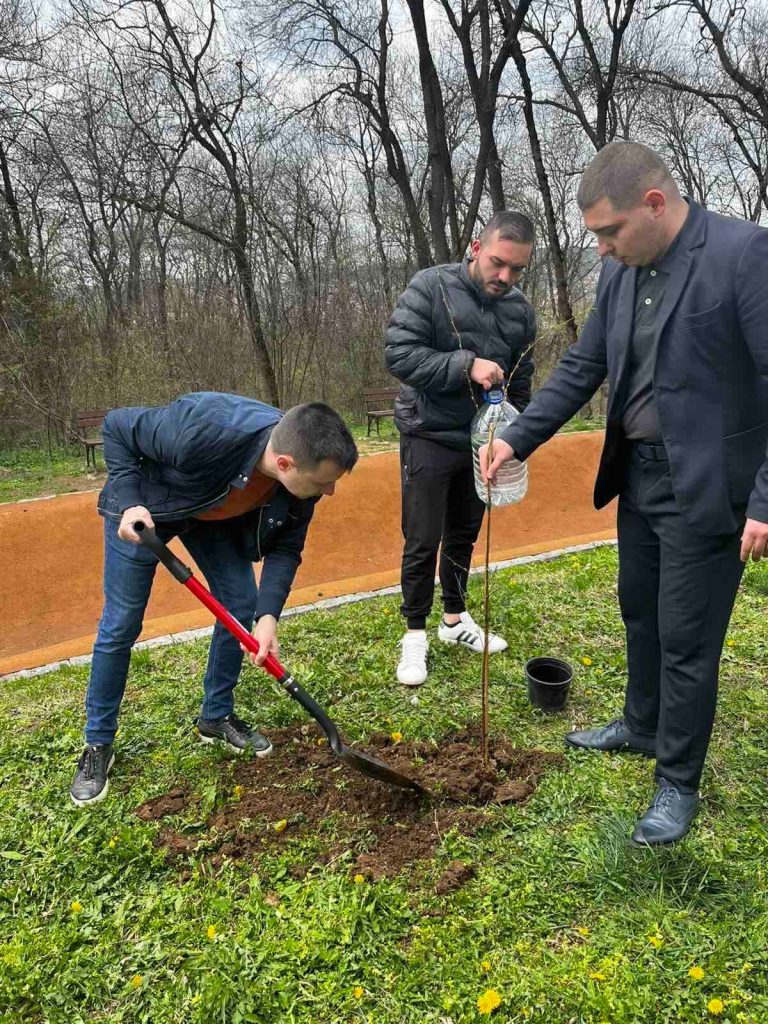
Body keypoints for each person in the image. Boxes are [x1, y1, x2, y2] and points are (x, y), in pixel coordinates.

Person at [481, 141, 768, 846]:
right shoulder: (619, 276)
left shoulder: (744, 255)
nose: (602, 250)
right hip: (638, 478)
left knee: (687, 641)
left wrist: (766, 498)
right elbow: (583, 367)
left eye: (610, 232)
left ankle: (677, 781)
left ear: (655, 205)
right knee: (640, 611)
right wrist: (519, 437)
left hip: (708, 488)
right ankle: (641, 725)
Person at [70, 393, 358, 807]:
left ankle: (215, 716)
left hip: (211, 513)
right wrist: (133, 500)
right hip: (147, 509)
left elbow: (286, 549)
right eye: (322, 482)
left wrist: (268, 617)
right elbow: (117, 425)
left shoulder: (302, 476)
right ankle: (98, 743)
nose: (328, 492)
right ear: (284, 464)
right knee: (122, 624)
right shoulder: (201, 430)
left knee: (242, 605)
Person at [385, 210, 536, 687]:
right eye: (498, 263)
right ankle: (414, 636)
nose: (505, 277)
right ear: (476, 247)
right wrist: (465, 364)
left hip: (483, 442)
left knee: (464, 533)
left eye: (516, 270)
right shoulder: (430, 287)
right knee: (423, 537)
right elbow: (399, 354)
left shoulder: (521, 312)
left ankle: (454, 620)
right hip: (428, 432)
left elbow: (522, 383)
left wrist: (513, 441)